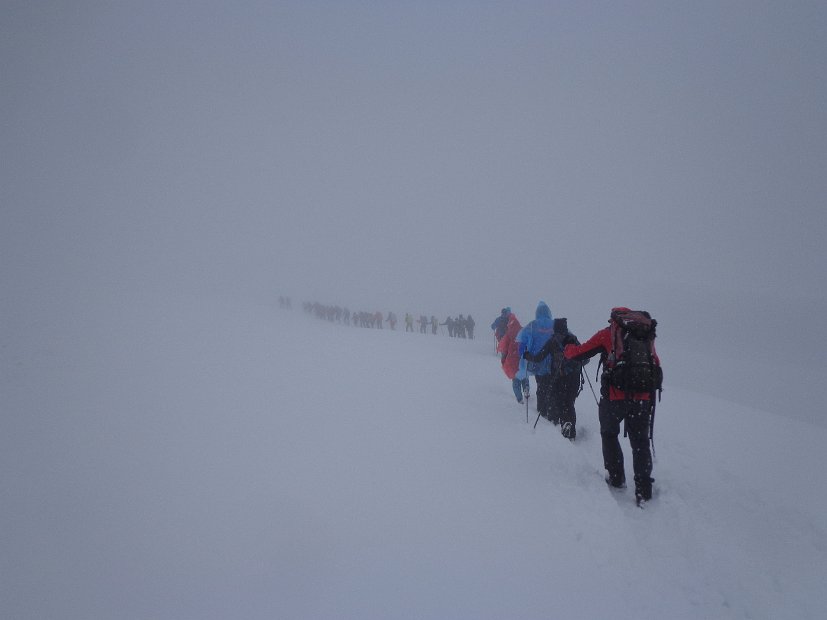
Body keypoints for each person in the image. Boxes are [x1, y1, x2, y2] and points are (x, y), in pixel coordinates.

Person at [563, 308, 661, 504]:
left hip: (615, 397)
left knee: (609, 434)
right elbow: (654, 363)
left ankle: (616, 478)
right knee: (640, 441)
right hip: (642, 397)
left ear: (614, 319)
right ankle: (644, 488)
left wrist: (567, 347)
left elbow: (578, 354)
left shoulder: (608, 334)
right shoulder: (644, 335)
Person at [526, 317, 585, 440]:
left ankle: (564, 425)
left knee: (560, 402)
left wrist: (527, 356)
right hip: (574, 377)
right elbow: (585, 358)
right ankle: (571, 428)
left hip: (559, 377)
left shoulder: (553, 341)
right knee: (569, 402)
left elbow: (539, 357)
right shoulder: (573, 339)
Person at [516, 301, 555, 418]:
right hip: (553, 362)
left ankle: (542, 410)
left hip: (536, 361)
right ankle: (551, 410)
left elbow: (522, 342)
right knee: (551, 385)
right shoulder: (555, 325)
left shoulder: (532, 325)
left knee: (541, 385)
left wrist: (522, 354)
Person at [497, 313, 529, 403]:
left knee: (515, 380)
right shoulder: (523, 330)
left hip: (512, 358)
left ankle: (519, 399)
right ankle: (526, 388)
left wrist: (503, 359)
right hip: (522, 357)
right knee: (524, 375)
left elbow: (504, 347)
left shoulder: (509, 333)